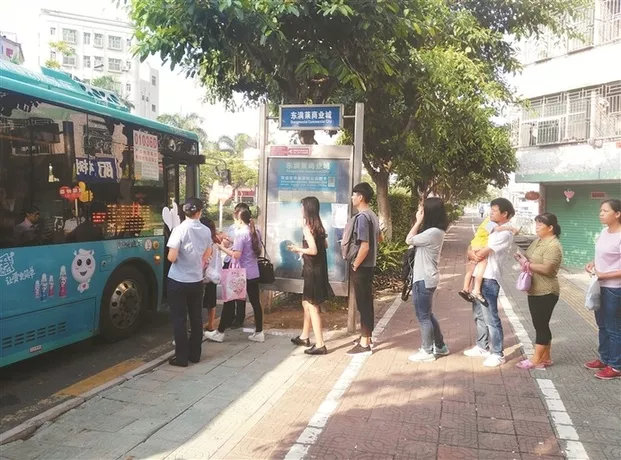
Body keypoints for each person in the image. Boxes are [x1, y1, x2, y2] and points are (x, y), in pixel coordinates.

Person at [463, 197, 516, 367]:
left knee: (491, 318)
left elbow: (482, 252)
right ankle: (482, 346)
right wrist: (470, 252)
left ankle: (497, 353)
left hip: (490, 278)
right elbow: (475, 242)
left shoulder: (505, 233)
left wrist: (473, 254)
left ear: (504, 213)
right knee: (478, 315)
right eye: (490, 210)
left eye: (494, 211)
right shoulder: (491, 225)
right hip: (479, 275)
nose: (490, 213)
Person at [205, 208, 264, 343]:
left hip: (240, 274)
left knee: (229, 302)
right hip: (253, 272)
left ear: (239, 220)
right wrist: (230, 240)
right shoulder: (255, 231)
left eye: (235, 220)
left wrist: (222, 248)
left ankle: (220, 332)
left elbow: (236, 255)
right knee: (255, 302)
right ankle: (259, 332)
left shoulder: (241, 234)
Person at [166, 197, 212, 367]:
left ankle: (181, 358)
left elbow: (171, 257)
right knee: (196, 317)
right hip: (196, 280)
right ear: (199, 212)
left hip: (177, 280)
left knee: (179, 319)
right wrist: (197, 260)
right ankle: (195, 354)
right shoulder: (206, 231)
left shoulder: (179, 229)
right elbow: (208, 253)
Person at [514, 213, 563, 370]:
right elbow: (528, 257)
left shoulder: (553, 245)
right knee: (541, 324)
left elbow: (548, 269)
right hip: (535, 290)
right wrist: (521, 258)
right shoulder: (538, 241)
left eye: (540, 224)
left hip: (546, 291)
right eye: (536, 224)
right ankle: (546, 358)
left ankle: (536, 360)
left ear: (550, 228)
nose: (537, 227)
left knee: (541, 325)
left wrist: (527, 264)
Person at [405, 198, 450, 362]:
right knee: (428, 314)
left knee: (423, 316)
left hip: (423, 279)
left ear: (429, 212)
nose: (420, 212)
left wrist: (417, 221)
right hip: (427, 277)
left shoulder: (432, 233)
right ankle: (440, 346)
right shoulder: (436, 231)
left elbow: (409, 239)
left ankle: (427, 351)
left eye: (422, 209)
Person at [289, 197, 334, 355]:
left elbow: (313, 250)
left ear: (307, 209)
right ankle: (304, 336)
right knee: (306, 303)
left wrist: (298, 249)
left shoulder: (308, 227)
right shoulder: (318, 226)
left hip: (312, 272)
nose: (300, 209)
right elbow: (325, 245)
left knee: (313, 306)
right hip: (317, 270)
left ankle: (320, 344)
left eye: (302, 206)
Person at [584, 199, 621, 380]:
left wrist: (605, 275)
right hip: (599, 285)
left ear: (618, 214)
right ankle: (604, 358)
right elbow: (601, 254)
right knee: (602, 325)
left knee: (614, 327)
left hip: (614, 288)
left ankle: (615, 366)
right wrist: (593, 263)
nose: (601, 214)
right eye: (600, 210)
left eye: (605, 211)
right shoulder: (604, 232)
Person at [345, 182, 381, 356]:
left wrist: (354, 264)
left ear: (360, 197)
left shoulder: (361, 218)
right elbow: (379, 238)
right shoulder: (372, 215)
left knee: (363, 304)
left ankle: (365, 344)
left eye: (354, 195)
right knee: (367, 302)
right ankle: (367, 336)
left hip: (362, 266)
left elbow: (364, 247)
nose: (352, 197)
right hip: (370, 265)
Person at [459, 217, 519, 305]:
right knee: (482, 265)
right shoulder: (490, 222)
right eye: (493, 211)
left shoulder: (487, 222)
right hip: (480, 245)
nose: (492, 214)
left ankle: (465, 288)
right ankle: (476, 290)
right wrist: (511, 228)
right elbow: (498, 229)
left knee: (470, 269)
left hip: (474, 243)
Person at [221, 202, 253, 328]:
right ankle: (228, 317)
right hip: (229, 262)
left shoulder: (248, 230)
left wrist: (223, 246)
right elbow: (228, 244)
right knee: (229, 293)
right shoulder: (232, 228)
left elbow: (238, 251)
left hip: (239, 264)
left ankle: (239, 318)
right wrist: (225, 240)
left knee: (239, 293)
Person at [200, 216, 222, 332]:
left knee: (197, 303)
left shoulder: (203, 243)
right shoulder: (215, 242)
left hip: (201, 276)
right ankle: (211, 324)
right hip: (213, 276)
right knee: (211, 302)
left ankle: (197, 325)